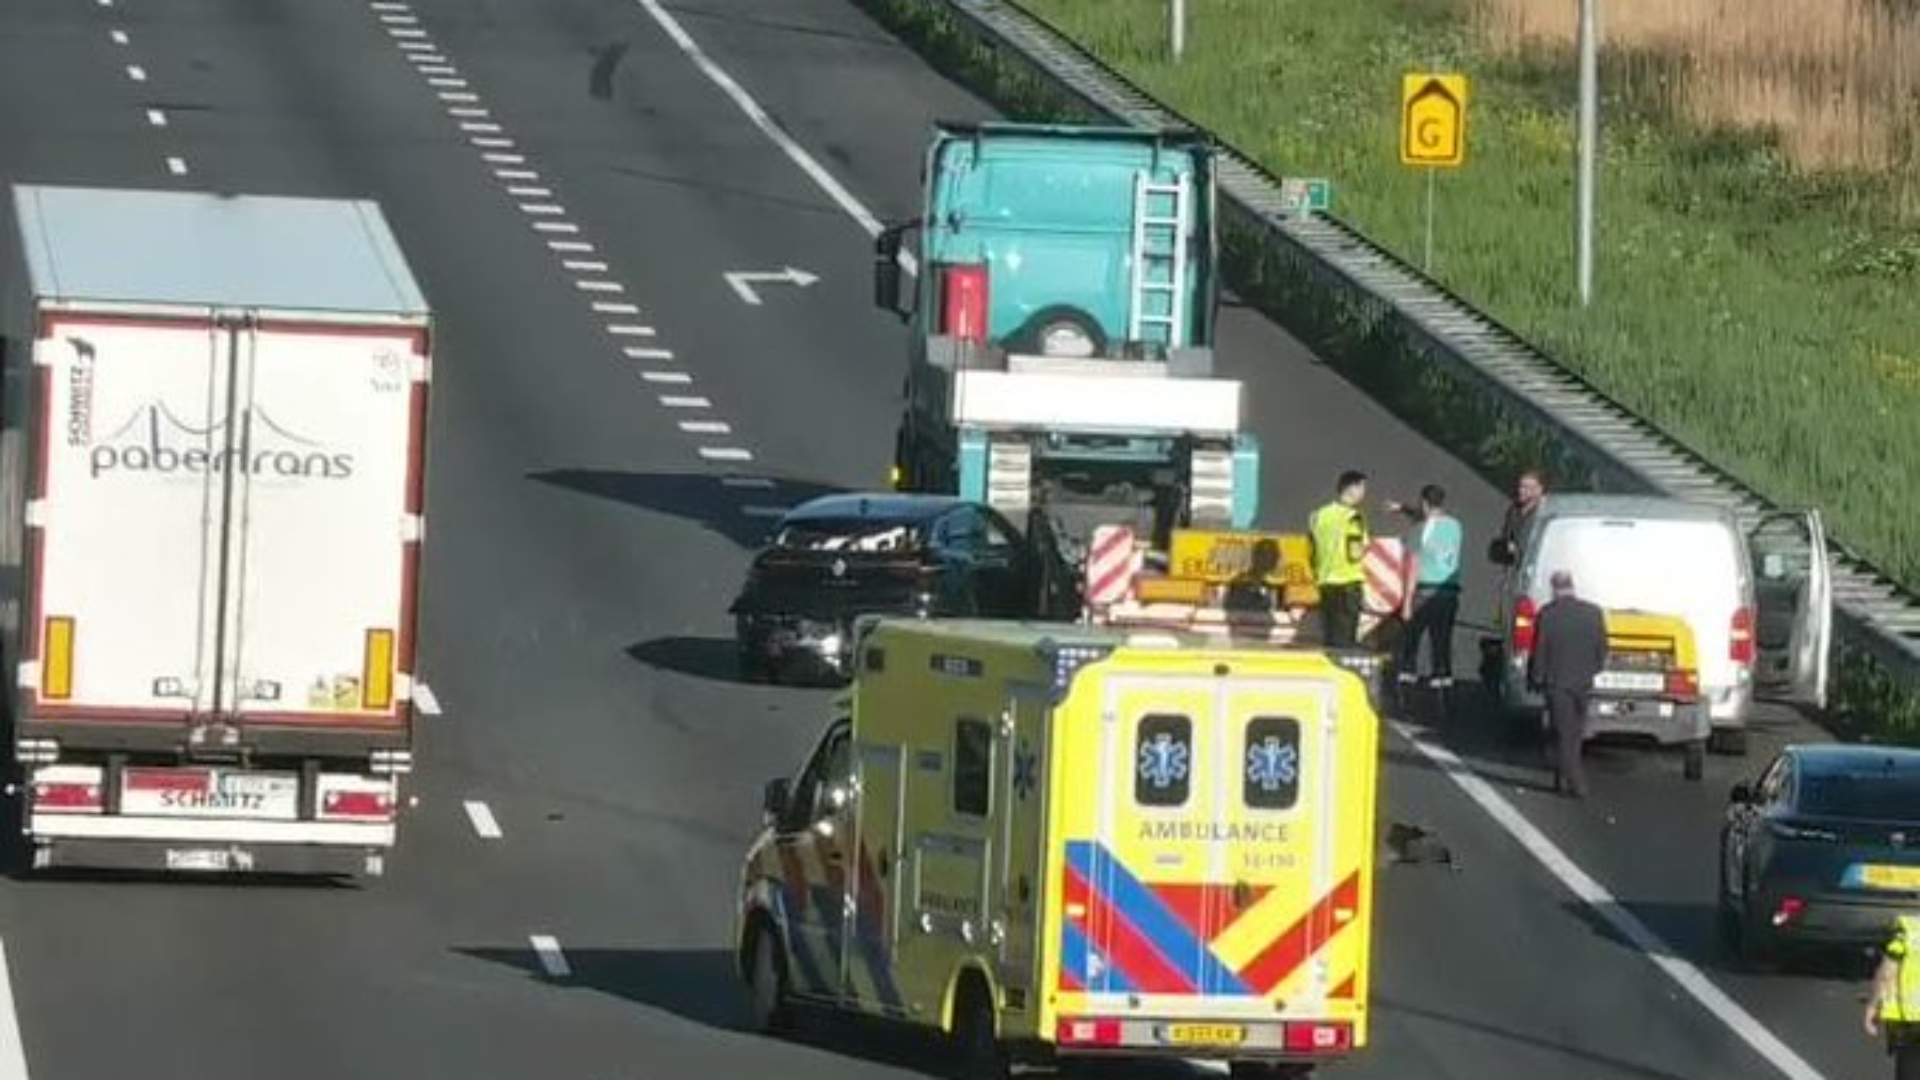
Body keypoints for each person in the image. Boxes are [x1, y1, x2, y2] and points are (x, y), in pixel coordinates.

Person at [1527, 569, 1608, 798]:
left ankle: (1576, 781)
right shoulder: (1593, 613)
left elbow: (1539, 650)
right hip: (1583, 681)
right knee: (1575, 733)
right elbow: (1602, 649)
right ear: (1572, 586)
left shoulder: (1547, 614)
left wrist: (1536, 677)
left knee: (1562, 732)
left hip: (1557, 682)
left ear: (1554, 588)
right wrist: (1592, 669)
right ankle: (1562, 780)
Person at [1388, 484, 1464, 687]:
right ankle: (1443, 681)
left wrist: (1406, 603)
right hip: (1449, 593)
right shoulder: (1455, 526)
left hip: (1424, 592)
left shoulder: (1419, 530)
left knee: (1411, 638)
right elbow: (1428, 516)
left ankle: (1407, 678)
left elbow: (1413, 565)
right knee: (1441, 640)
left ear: (1423, 503)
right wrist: (1404, 508)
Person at [1309, 470, 1369, 649]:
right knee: (1345, 639)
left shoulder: (1318, 515)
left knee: (1330, 635)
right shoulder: (1354, 517)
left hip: (1325, 581)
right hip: (1348, 582)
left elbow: (1311, 549)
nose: (1364, 493)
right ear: (1353, 488)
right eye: (1363, 488)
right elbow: (1356, 551)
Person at [1865, 914, 1920, 1078]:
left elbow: (1887, 973)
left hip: (1910, 1018)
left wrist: (1873, 1006)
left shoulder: (1909, 930)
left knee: (1910, 1069)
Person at [1490, 468, 1547, 565]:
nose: (1521, 491)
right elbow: (1506, 536)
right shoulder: (1513, 510)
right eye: (1520, 487)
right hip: (1512, 567)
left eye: (1526, 488)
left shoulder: (1543, 514)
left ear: (1539, 490)